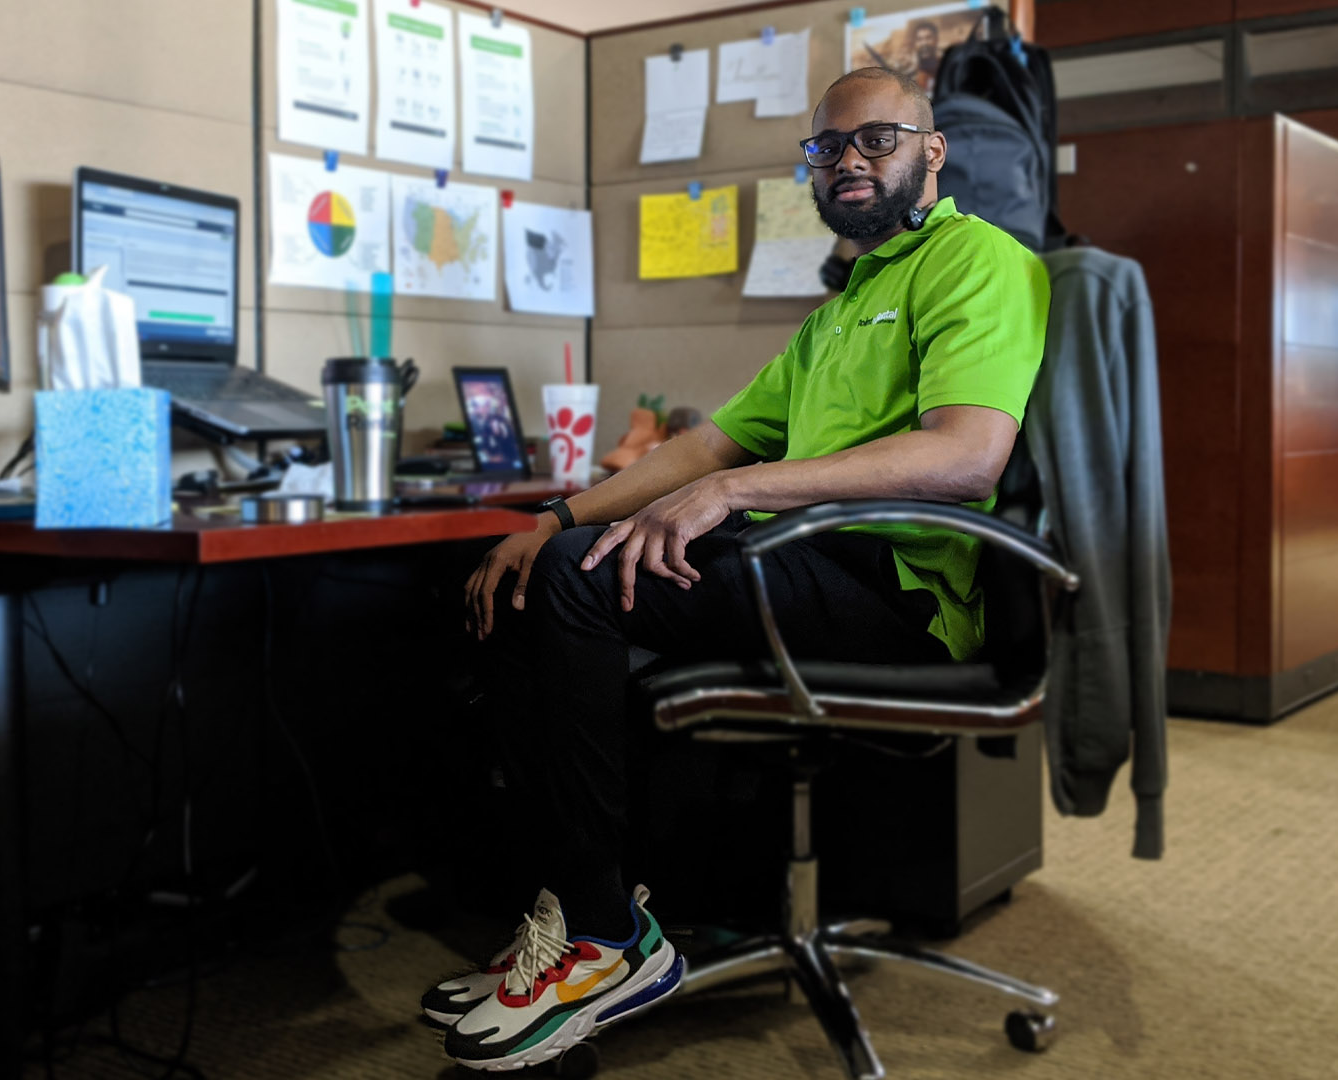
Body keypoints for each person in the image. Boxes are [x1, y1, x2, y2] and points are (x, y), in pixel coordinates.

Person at [424, 66, 1050, 1071]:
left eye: (876, 140)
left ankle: (603, 938)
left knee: (587, 581)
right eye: (829, 147)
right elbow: (709, 446)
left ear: (931, 152)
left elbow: (965, 452)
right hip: (804, 565)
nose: (849, 160)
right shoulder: (842, 308)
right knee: (538, 573)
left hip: (899, 592)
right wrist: (553, 515)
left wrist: (744, 493)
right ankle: (582, 912)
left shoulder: (983, 263)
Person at [909, 20, 943, 92]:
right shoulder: (912, 74)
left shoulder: (945, 67)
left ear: (936, 40)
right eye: (919, 39)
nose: (924, 43)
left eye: (928, 38)